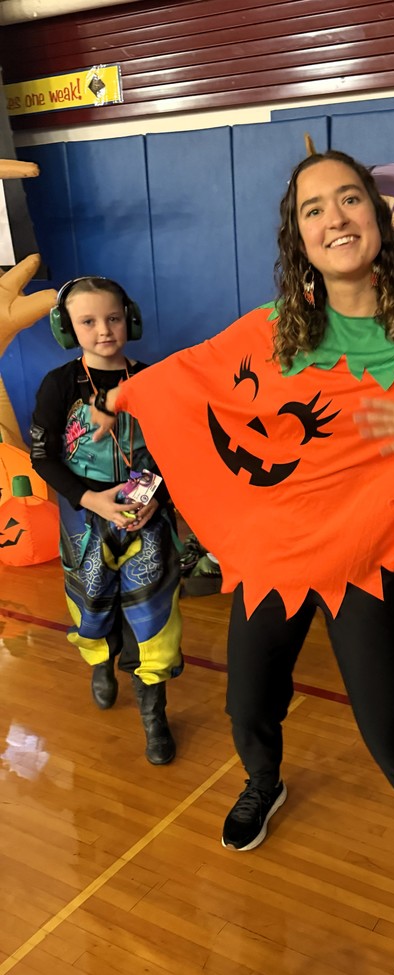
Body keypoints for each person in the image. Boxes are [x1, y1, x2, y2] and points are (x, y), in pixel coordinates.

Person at [89, 149, 394, 934]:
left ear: (377, 220)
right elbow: (191, 376)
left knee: (389, 732)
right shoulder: (272, 330)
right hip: (272, 561)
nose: (334, 218)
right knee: (247, 705)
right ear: (299, 237)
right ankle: (264, 783)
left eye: (349, 199)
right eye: (313, 208)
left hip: (364, 566)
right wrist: (121, 395)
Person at [30, 276, 182, 765]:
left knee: (155, 614)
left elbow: (177, 451)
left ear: (129, 319)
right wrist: (89, 499)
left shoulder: (154, 380)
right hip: (86, 517)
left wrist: (157, 497)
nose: (103, 330)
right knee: (91, 602)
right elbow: (43, 456)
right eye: (88, 321)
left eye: (113, 318)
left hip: (147, 512)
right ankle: (101, 660)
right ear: (67, 328)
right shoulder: (58, 385)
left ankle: (154, 715)